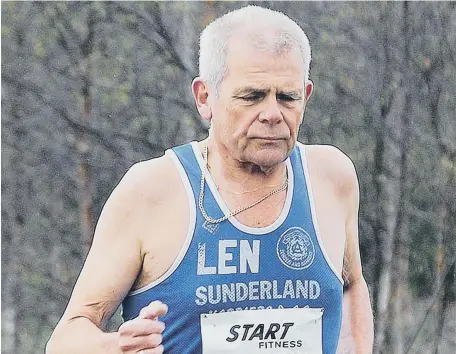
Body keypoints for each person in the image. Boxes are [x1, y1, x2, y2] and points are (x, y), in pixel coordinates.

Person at [46, 5, 373, 354]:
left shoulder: (330, 177)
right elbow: (66, 340)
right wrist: (115, 348)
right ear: (205, 98)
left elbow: (351, 285)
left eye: (287, 97)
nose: (272, 115)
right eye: (252, 96)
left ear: (305, 96)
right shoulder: (152, 191)